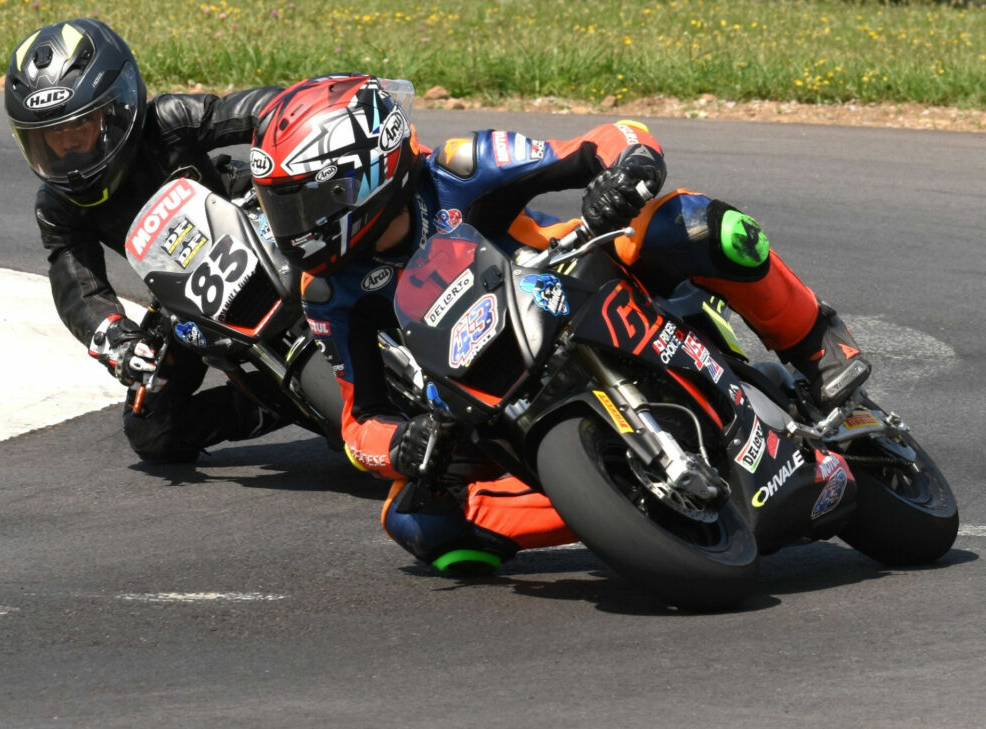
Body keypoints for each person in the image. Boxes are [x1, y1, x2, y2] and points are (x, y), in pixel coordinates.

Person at [250, 74, 871, 572]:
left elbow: (609, 138)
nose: (292, 225)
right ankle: (617, 506)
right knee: (417, 523)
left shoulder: (458, 168)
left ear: (367, 169)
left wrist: (626, 172)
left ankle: (816, 344)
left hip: (578, 285)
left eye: (303, 201)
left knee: (699, 225)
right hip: (485, 391)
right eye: (282, 205)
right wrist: (400, 445)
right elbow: (360, 419)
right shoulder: (327, 290)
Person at [5, 18, 290, 462]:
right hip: (184, 300)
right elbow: (77, 283)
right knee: (153, 431)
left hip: (259, 233)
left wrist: (302, 112)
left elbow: (249, 110)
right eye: (49, 142)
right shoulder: (58, 205)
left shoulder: (169, 121)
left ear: (119, 108)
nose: (67, 154)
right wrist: (117, 339)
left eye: (79, 132)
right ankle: (281, 403)